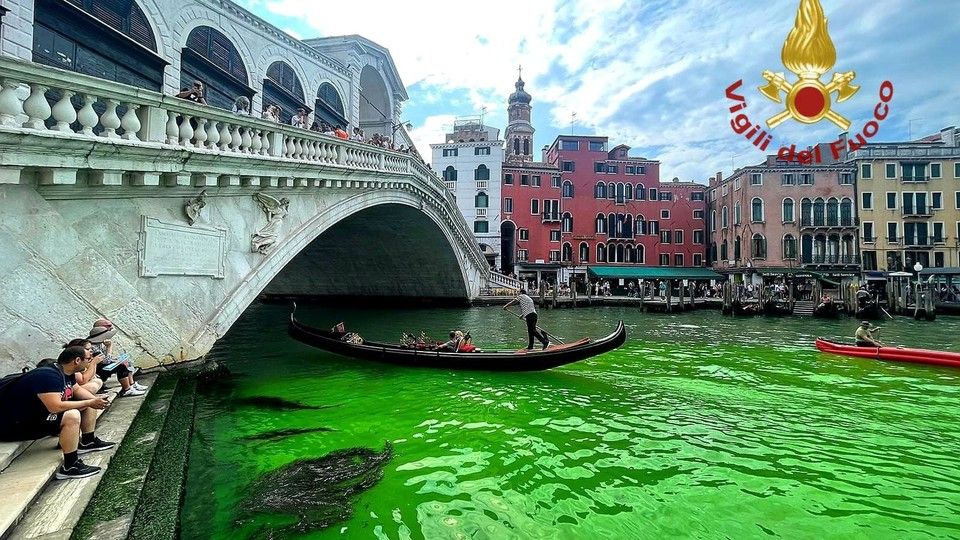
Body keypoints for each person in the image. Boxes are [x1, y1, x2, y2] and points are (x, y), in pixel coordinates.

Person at [0, 346, 114, 479]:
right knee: (73, 414)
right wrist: (90, 402)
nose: (90, 362)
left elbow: (77, 391)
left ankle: (88, 442)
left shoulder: (65, 372)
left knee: (88, 402)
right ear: (77, 360)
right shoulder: (48, 376)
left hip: (34, 418)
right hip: (13, 426)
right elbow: (56, 407)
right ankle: (70, 466)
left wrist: (96, 400)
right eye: (89, 359)